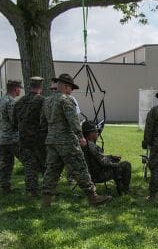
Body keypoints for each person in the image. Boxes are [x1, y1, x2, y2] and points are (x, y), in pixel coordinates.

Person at [40, 73, 112, 207]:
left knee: (51, 171)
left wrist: (50, 136)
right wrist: (80, 136)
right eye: (71, 88)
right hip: (67, 141)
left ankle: (46, 202)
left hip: (52, 141)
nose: (71, 91)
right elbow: (73, 121)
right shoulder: (66, 100)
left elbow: (43, 123)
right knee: (80, 168)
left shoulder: (47, 101)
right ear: (65, 86)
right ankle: (93, 197)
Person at [13, 76, 47, 196]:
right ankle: (48, 189)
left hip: (24, 139)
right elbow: (47, 120)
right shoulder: (43, 101)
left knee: (29, 164)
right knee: (46, 164)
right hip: (39, 139)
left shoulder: (19, 102)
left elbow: (14, 122)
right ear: (41, 86)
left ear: (29, 86)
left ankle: (31, 190)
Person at [82, 120, 132, 195]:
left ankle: (121, 188)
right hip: (98, 175)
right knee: (126, 165)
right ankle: (125, 190)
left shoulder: (84, 145)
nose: (97, 133)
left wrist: (111, 157)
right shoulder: (93, 147)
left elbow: (98, 158)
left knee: (115, 161)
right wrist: (116, 164)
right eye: (96, 131)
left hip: (88, 174)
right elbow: (105, 163)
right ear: (91, 134)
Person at [0, 80, 22, 193]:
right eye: (19, 89)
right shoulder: (11, 102)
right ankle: (33, 186)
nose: (20, 91)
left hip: (2, 138)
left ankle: (5, 187)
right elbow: (14, 120)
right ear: (16, 89)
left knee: (6, 164)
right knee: (28, 160)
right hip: (12, 138)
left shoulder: (1, 100)